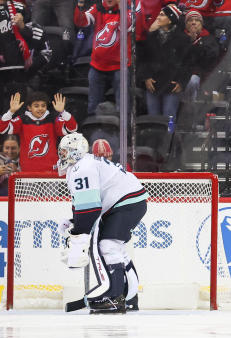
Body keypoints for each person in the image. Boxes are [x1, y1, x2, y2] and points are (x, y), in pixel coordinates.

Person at [57, 132, 148, 314]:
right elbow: (88, 204)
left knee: (108, 246)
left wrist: (79, 233)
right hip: (128, 201)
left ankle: (114, 298)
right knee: (116, 249)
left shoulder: (82, 168)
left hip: (126, 202)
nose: (62, 156)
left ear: (75, 152)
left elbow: (90, 209)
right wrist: (76, 221)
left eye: (65, 152)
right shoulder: (84, 164)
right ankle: (128, 298)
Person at [1, 92, 78, 172]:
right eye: (36, 106)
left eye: (43, 105)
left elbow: (72, 129)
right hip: (27, 171)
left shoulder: (53, 119)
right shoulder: (22, 120)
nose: (40, 108)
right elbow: (2, 129)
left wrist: (63, 112)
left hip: (51, 171)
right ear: (29, 108)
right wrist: (11, 112)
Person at [140, 4, 191, 119]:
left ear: (170, 19)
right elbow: (143, 59)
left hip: (171, 86)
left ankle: (170, 137)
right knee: (153, 119)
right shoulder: (151, 37)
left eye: (162, 15)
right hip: (153, 85)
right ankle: (154, 138)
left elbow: (187, 64)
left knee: (169, 119)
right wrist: (146, 77)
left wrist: (181, 82)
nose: (158, 17)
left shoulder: (183, 40)